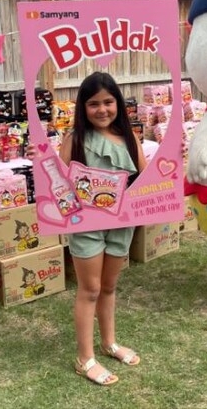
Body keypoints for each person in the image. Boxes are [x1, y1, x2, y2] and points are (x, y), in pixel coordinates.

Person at [59, 71, 146, 386]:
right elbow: (56, 181)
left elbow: (147, 181)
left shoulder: (129, 138)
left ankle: (109, 343)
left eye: (108, 102)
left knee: (109, 287)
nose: (102, 110)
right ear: (82, 107)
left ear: (118, 103)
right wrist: (38, 158)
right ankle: (85, 357)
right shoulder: (75, 140)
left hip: (121, 224)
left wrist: (173, 159)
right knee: (90, 289)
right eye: (93, 103)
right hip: (87, 227)